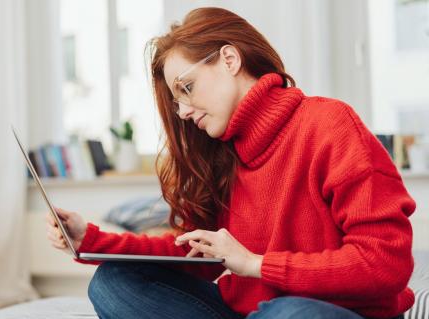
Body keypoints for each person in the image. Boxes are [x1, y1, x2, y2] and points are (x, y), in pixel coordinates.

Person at [46, 7, 415, 319]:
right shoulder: (221, 153)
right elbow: (196, 252)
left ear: (229, 59)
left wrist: (257, 264)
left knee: (289, 313)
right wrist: (92, 241)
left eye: (186, 88)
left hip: (325, 311)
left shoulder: (329, 125)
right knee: (114, 284)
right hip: (251, 312)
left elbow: (384, 265)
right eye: (177, 102)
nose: (184, 111)